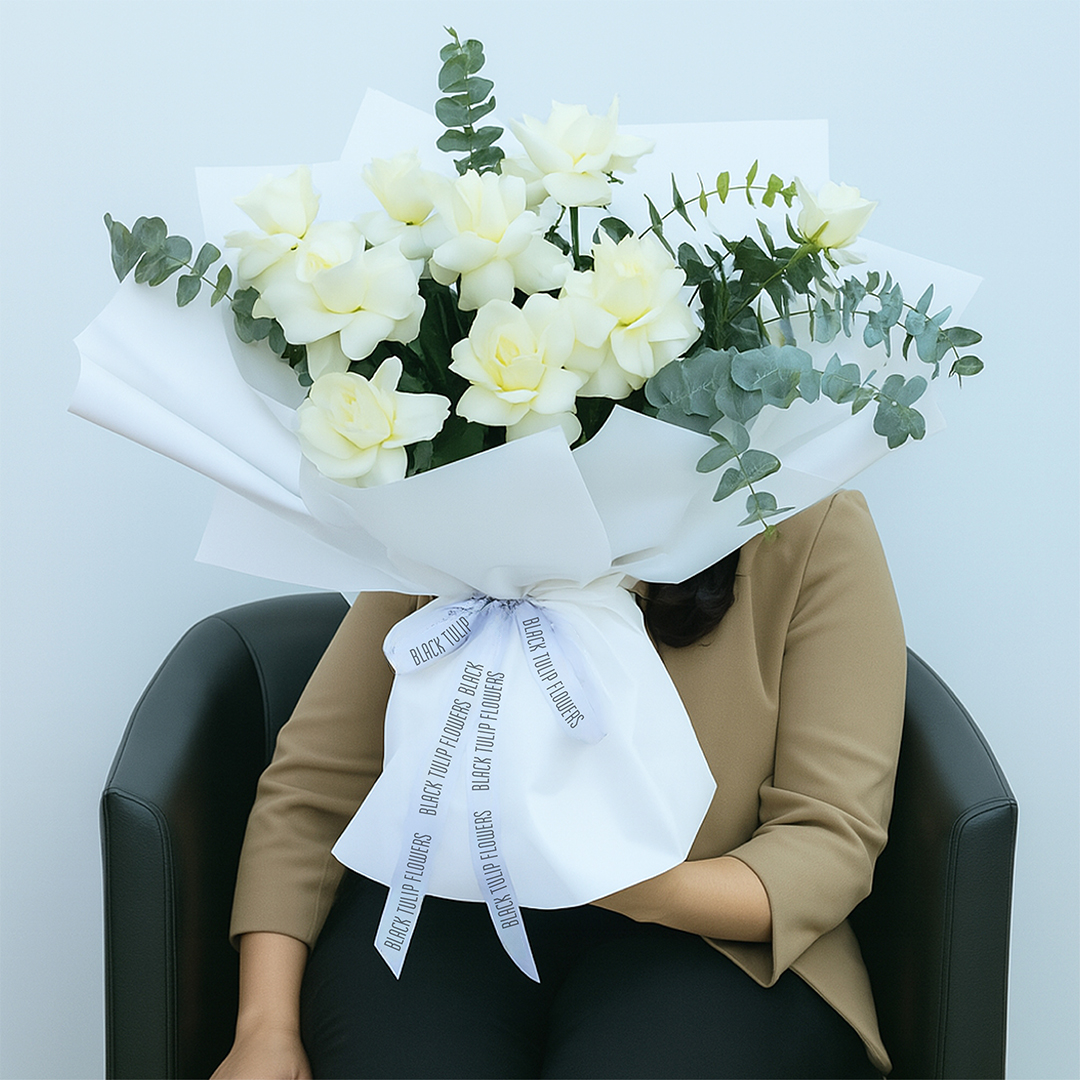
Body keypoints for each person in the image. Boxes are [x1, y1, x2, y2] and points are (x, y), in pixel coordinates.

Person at [212, 489, 905, 1080]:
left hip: (721, 940)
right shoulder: (464, 496)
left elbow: (829, 837)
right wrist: (263, 1028)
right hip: (453, 909)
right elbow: (314, 787)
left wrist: (632, 885)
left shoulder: (808, 519)